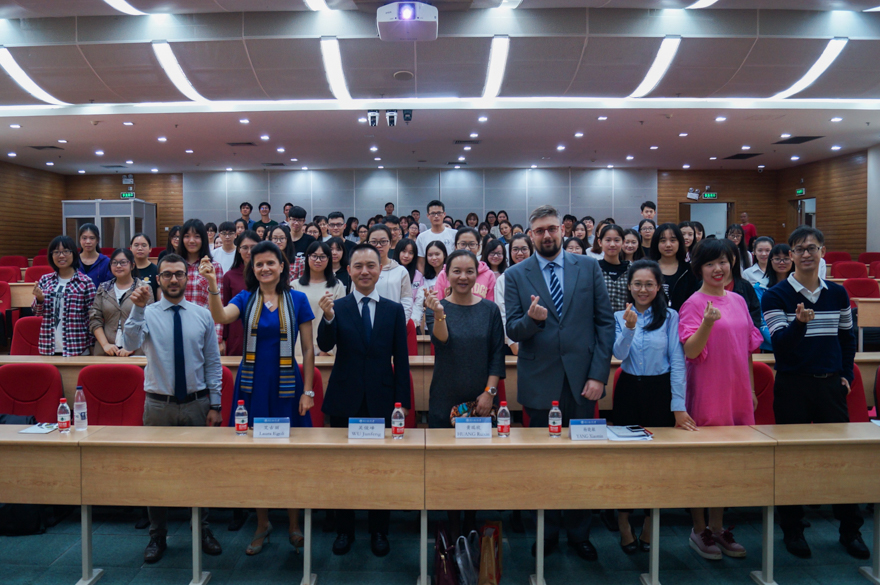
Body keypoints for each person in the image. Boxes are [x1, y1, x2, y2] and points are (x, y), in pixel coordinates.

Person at [505, 205, 614, 562]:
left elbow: (604, 324)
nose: (547, 235)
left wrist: (598, 375)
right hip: (540, 382)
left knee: (582, 459)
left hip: (584, 381)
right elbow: (513, 329)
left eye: (552, 228)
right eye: (539, 231)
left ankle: (580, 533)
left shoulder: (589, 267)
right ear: (530, 235)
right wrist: (532, 321)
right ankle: (547, 531)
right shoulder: (516, 274)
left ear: (563, 230)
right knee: (544, 461)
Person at [760, 226, 868, 560]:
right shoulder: (776, 295)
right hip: (792, 385)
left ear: (822, 251)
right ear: (791, 255)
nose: (806, 254)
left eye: (812, 248)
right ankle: (793, 529)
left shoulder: (838, 293)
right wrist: (800, 323)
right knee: (791, 459)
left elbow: (847, 338)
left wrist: (846, 374)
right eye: (799, 249)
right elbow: (780, 345)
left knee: (841, 459)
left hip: (830, 385)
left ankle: (850, 530)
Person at [201, 242, 316, 555]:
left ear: (282, 266)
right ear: (253, 269)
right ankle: (262, 523)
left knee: (291, 457)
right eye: (259, 264)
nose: (265, 268)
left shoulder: (298, 299)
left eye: (270, 263)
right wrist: (212, 284)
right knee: (256, 457)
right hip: (252, 387)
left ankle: (293, 524)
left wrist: (308, 392)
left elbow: (308, 349)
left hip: (288, 387)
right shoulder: (245, 297)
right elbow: (221, 316)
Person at [123, 253, 223, 564]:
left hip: (197, 404)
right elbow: (129, 343)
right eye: (167, 274)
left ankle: (202, 529)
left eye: (179, 274)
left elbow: (212, 362)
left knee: (200, 471)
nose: (174, 279)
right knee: (157, 472)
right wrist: (138, 308)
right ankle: (158, 534)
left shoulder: (202, 314)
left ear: (187, 277)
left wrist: (216, 403)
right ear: (159, 279)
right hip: (159, 405)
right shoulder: (147, 312)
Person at [316, 244, 411, 558]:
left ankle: (379, 530)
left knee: (380, 468)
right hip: (345, 399)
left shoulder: (393, 310)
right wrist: (327, 318)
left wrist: (401, 402)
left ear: (380, 270)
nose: (365, 271)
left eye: (371, 265)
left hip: (382, 400)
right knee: (344, 468)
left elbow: (401, 360)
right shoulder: (338, 307)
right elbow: (325, 344)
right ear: (349, 271)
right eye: (358, 266)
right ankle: (345, 529)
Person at [678, 238, 763, 561]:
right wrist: (707, 322)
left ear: (733, 264)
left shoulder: (739, 300)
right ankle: (699, 529)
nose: (718, 269)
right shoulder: (693, 303)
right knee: (704, 464)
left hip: (737, 391)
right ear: (699, 268)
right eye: (710, 263)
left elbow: (748, 350)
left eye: (724, 262)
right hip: (708, 391)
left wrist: (751, 390)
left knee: (727, 464)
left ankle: (718, 527)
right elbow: (691, 351)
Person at [424, 249, 505, 539]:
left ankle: (471, 524)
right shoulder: (436, 307)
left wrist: (489, 393)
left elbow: (497, 354)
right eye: (456, 271)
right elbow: (442, 342)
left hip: (479, 400)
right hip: (444, 397)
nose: (463, 277)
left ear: (477, 274)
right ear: (446, 274)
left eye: (469, 271)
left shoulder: (490, 310)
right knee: (448, 467)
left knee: (474, 466)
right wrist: (439, 314)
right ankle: (452, 526)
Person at [612, 259, 691, 553]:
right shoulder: (619, 315)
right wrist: (629, 328)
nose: (643, 290)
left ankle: (648, 522)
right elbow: (619, 354)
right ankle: (623, 521)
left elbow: (678, 362)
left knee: (656, 461)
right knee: (626, 461)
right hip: (628, 390)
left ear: (659, 287)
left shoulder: (670, 316)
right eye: (637, 284)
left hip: (660, 391)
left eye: (649, 284)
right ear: (629, 286)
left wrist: (678, 405)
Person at [32, 235, 97, 357]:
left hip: (77, 348)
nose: (61, 256)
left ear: (74, 254)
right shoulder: (45, 280)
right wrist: (40, 300)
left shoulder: (85, 282)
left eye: (66, 251)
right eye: (56, 252)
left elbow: (92, 317)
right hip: (49, 347)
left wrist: (92, 345)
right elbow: (36, 312)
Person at [90, 248, 154, 356]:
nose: (118, 266)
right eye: (114, 263)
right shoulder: (103, 288)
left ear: (132, 265)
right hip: (106, 351)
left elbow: (149, 321)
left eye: (123, 262)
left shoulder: (143, 289)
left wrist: (132, 346)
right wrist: (105, 344)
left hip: (136, 351)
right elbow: (94, 319)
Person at [176, 219, 225, 350]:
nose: (191, 241)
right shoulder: (175, 266)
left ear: (203, 239)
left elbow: (219, 303)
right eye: (187, 236)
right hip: (177, 329)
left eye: (197, 236)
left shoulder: (214, 267)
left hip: (203, 331)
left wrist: (217, 338)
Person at [293, 241, 346, 356]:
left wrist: (327, 350)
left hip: (327, 349)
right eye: (314, 256)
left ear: (328, 259)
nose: (318, 260)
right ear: (307, 258)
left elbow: (341, 320)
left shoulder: (337, 286)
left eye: (322, 257)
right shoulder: (295, 286)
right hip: (299, 347)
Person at [223, 231, 260, 358]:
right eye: (245, 247)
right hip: (237, 335)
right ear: (238, 250)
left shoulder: (266, 274)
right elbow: (224, 308)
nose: (249, 252)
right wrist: (222, 339)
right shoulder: (229, 276)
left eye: (253, 247)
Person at [495, 233, 533, 356]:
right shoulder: (503, 279)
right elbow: (502, 313)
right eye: (515, 249)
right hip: (511, 341)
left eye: (524, 249)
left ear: (531, 250)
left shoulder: (539, 277)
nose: (519, 253)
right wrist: (512, 342)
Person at [434, 228, 496, 302]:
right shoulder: (444, 274)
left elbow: (490, 305)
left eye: (472, 244)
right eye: (463, 244)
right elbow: (438, 303)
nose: (467, 248)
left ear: (478, 247)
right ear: (456, 246)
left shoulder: (489, 275)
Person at [369, 224, 414, 321]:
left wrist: (400, 324)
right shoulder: (361, 271)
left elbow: (407, 302)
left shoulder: (401, 271)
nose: (378, 245)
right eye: (374, 242)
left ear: (390, 243)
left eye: (383, 241)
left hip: (393, 323)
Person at [650, 223, 698, 312]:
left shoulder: (689, 270)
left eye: (673, 240)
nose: (668, 245)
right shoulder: (648, 269)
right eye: (663, 241)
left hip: (683, 318)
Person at [416, 200, 457, 274]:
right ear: (428, 216)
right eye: (433, 213)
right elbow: (421, 262)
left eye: (439, 213)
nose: (436, 216)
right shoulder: (422, 237)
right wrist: (423, 278)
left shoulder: (454, 234)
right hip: (430, 277)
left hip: (451, 275)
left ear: (444, 214)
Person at [417, 241, 448, 335]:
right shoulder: (424, 279)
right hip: (430, 323)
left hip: (449, 320)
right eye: (430, 255)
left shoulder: (450, 276)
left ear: (444, 255)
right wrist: (427, 299)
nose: (434, 258)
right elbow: (422, 303)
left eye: (437, 254)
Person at [597, 225, 630, 313]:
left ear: (623, 242)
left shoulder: (631, 269)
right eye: (608, 240)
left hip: (625, 319)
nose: (612, 244)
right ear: (600, 242)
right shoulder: (594, 268)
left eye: (617, 240)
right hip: (599, 319)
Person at [130, 233, 160, 300]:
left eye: (144, 245)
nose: (140, 248)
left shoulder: (157, 270)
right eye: (136, 245)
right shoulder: (127, 270)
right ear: (131, 248)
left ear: (150, 249)